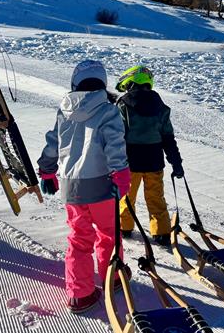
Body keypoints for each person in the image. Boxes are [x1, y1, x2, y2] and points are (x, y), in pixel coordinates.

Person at [37, 60, 131, 314]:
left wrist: (47, 170)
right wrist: (121, 171)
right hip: (102, 185)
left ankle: (80, 294)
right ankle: (112, 277)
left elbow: (52, 143)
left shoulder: (63, 110)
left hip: (72, 189)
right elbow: (114, 144)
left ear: (75, 84)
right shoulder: (108, 110)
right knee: (109, 233)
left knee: (79, 239)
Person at [114, 65, 183, 247]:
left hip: (129, 162)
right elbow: (168, 138)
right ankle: (161, 232)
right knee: (155, 197)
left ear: (130, 82)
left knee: (127, 197)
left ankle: (124, 227)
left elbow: (118, 136)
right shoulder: (160, 107)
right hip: (154, 161)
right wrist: (176, 162)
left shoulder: (123, 105)